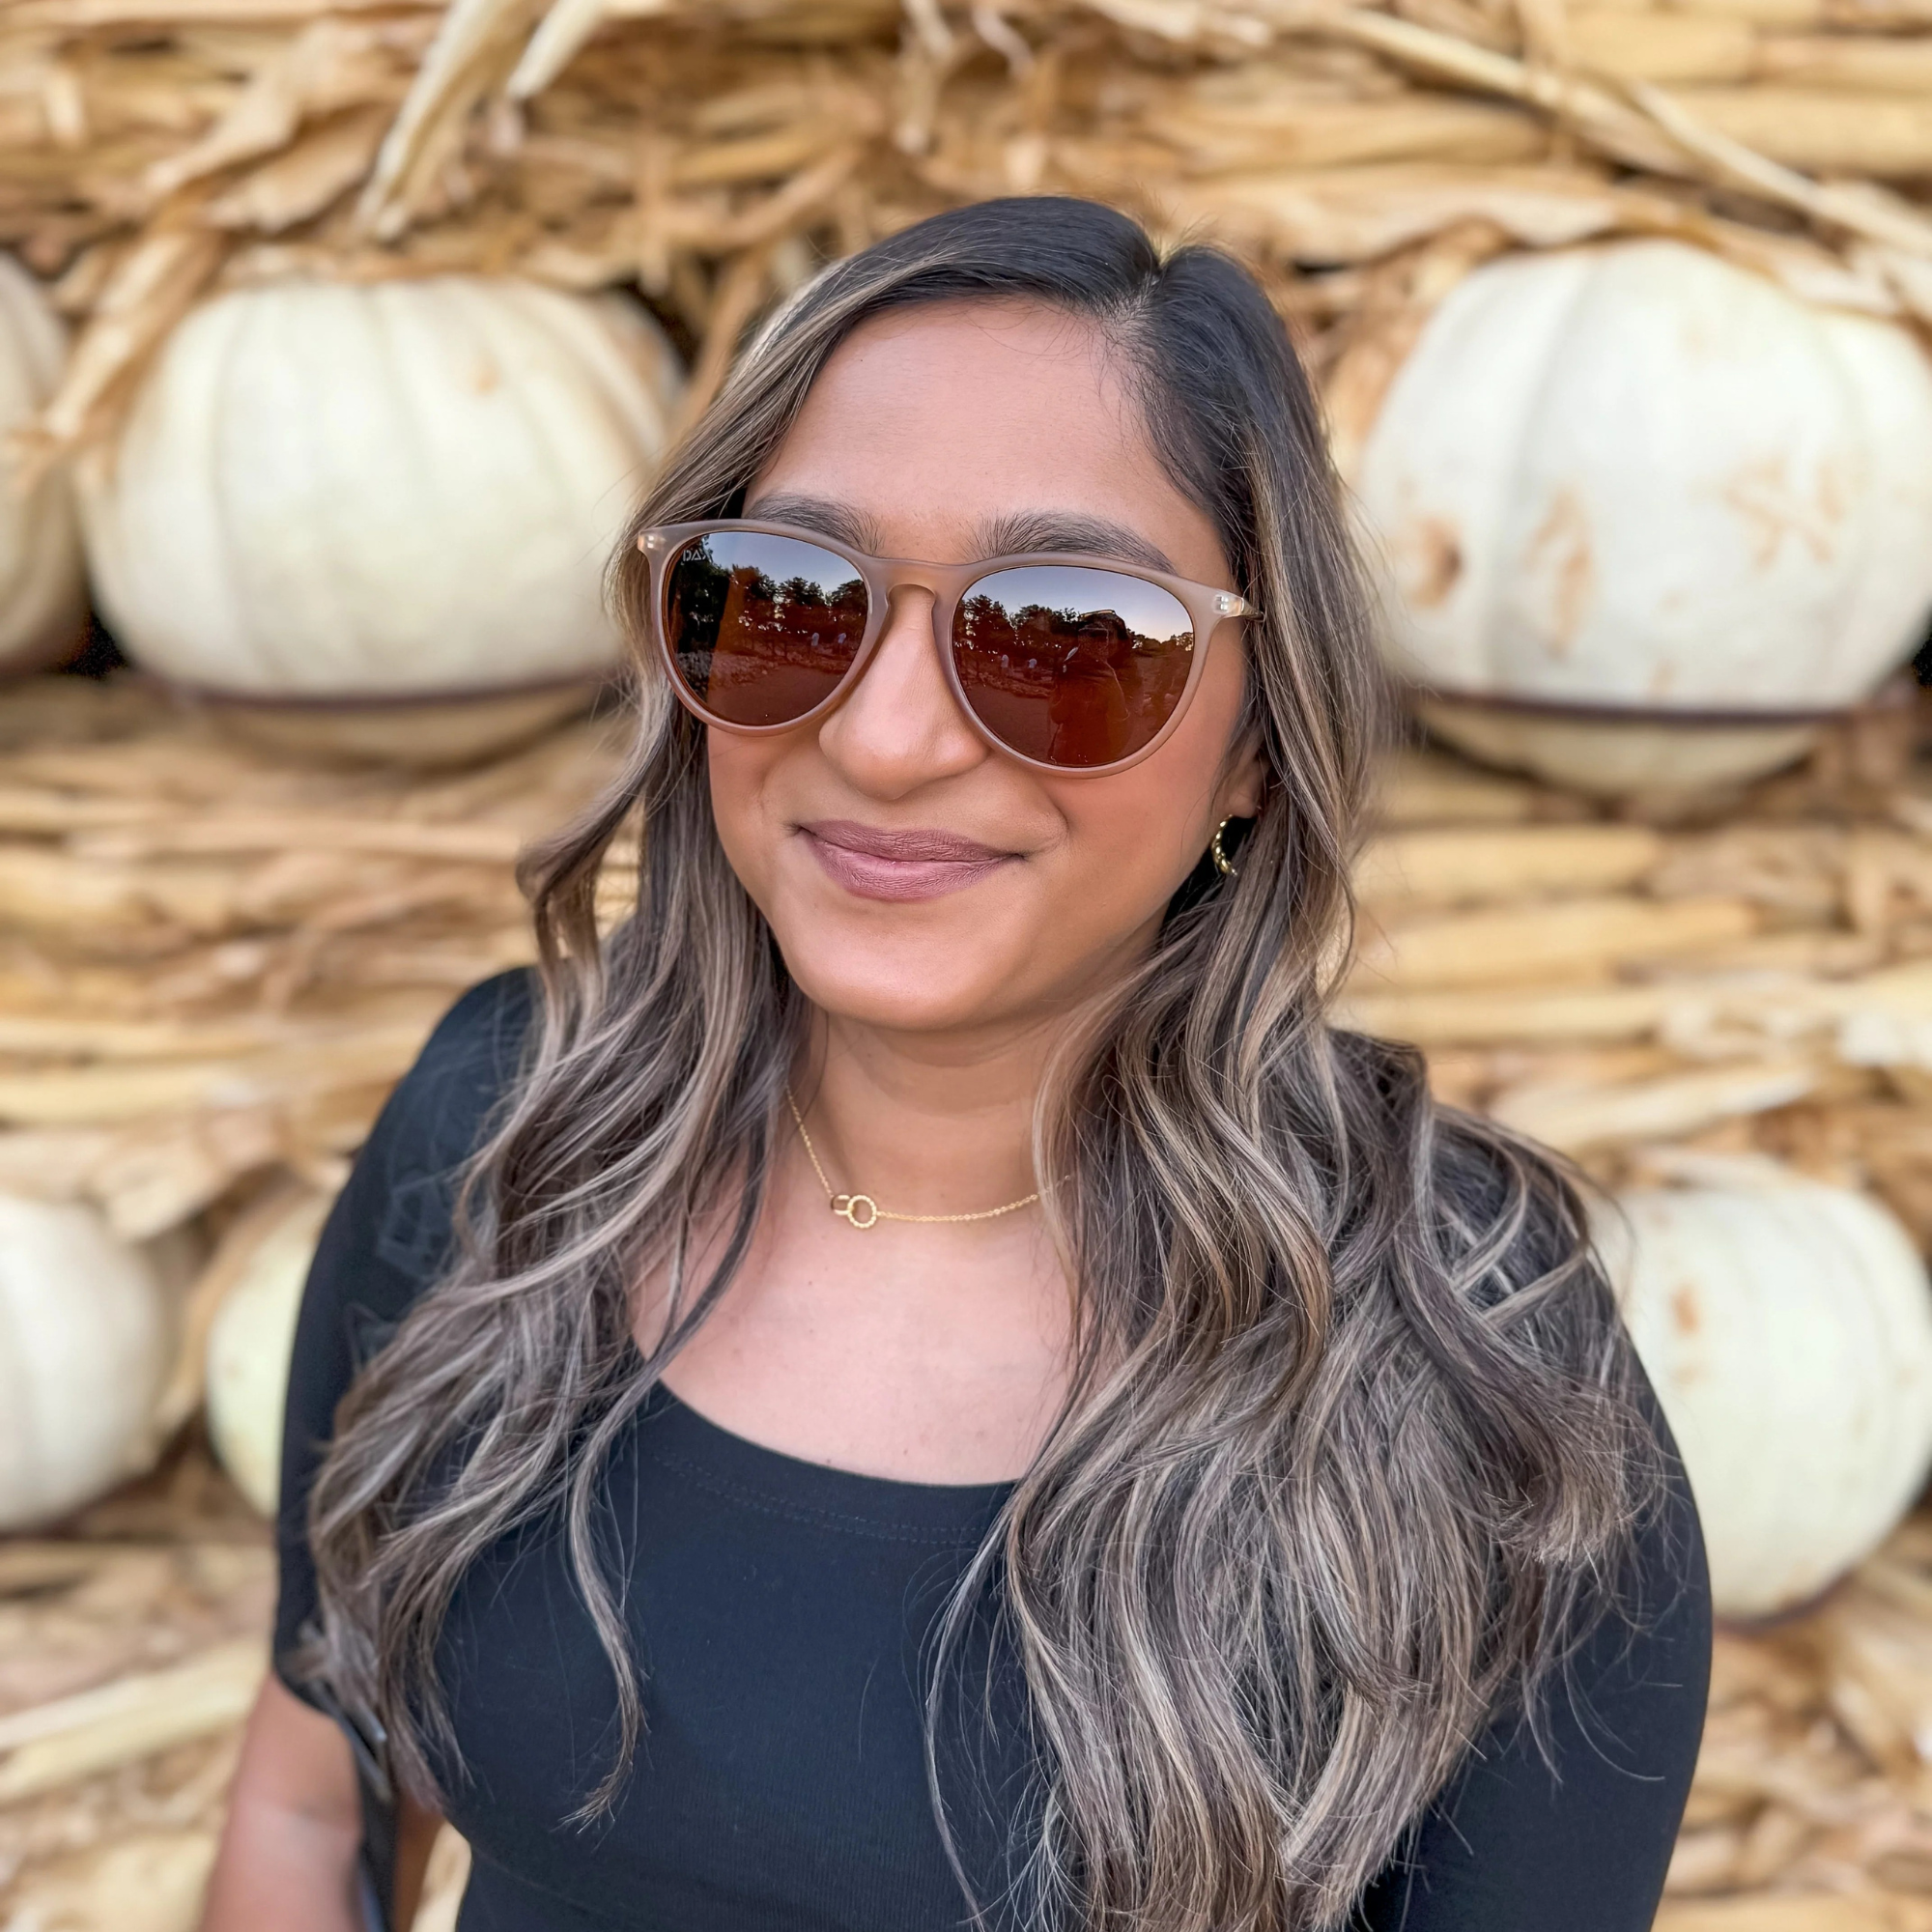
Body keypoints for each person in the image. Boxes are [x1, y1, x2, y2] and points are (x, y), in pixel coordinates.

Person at [202, 197, 1709, 1932]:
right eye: (787, 599)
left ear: (1255, 745)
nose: (884, 737)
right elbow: (310, 1807)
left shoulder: (1481, 1355)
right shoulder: (511, 1135)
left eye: (1067, 635)